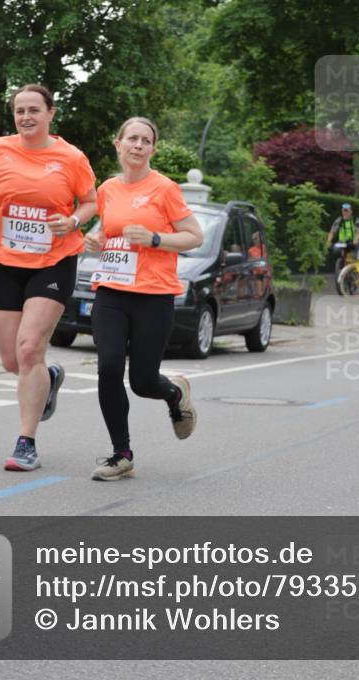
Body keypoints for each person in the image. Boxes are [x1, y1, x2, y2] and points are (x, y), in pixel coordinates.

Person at [0, 84, 97, 472]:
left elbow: (90, 201)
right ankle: (51, 377)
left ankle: (26, 443)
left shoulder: (71, 157)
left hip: (53, 260)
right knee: (12, 360)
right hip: (5, 261)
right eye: (19, 111)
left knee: (29, 350)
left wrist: (72, 220)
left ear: (50, 113)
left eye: (34, 110)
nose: (26, 117)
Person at [84, 117, 203, 481]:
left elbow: (193, 236)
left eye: (145, 140)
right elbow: (108, 226)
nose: (137, 145)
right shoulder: (106, 189)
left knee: (142, 381)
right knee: (108, 368)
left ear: (152, 149)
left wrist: (155, 239)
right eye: (131, 138)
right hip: (111, 291)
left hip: (153, 294)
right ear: (118, 144)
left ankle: (174, 395)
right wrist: (96, 238)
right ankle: (122, 454)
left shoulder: (164, 188)